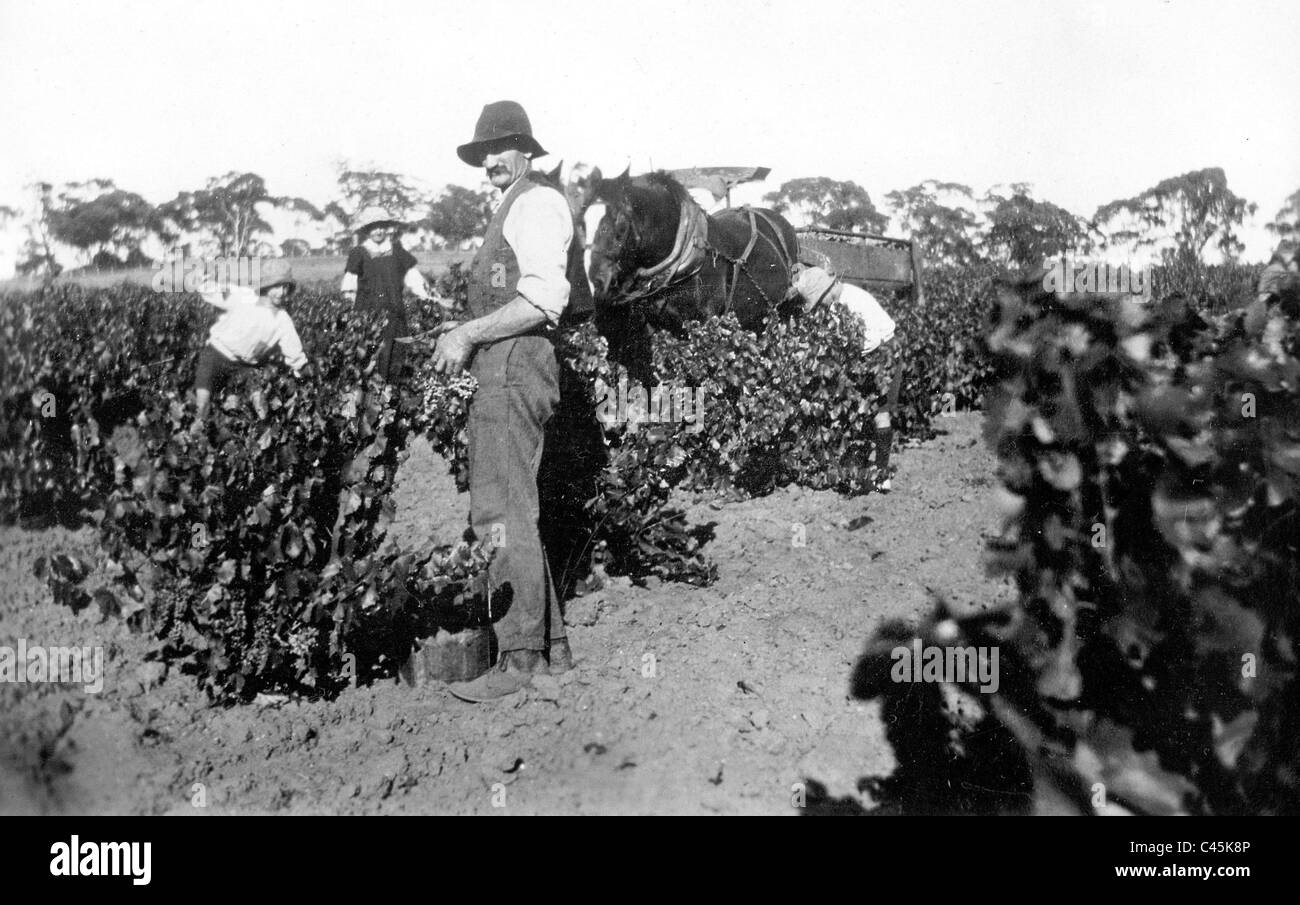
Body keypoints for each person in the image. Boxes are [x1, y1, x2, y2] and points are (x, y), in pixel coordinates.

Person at [432, 100, 574, 702]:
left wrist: (466, 333)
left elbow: (544, 300)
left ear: (526, 150)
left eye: (500, 147)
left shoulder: (537, 201)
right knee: (513, 505)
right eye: (482, 151)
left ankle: (518, 660)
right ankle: (551, 651)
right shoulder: (514, 203)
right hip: (505, 363)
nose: (490, 159)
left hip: (515, 363)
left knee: (497, 510)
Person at [791, 263, 899, 490]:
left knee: (880, 414)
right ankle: (860, 468)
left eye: (821, 301)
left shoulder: (853, 300)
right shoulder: (837, 303)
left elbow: (871, 338)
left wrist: (843, 356)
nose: (821, 306)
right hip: (866, 357)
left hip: (882, 355)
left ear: (826, 290)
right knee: (859, 413)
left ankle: (881, 476)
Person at [192, 260, 307, 422]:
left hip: (242, 368)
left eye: (285, 287)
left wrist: (302, 376)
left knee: (248, 413)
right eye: (277, 286)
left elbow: (295, 354)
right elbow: (212, 291)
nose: (281, 292)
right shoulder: (243, 296)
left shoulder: (283, 320)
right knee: (202, 405)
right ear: (266, 286)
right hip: (215, 356)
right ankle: (194, 440)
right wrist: (201, 278)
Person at [341, 209, 445, 382]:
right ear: (367, 230)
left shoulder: (396, 251)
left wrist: (432, 298)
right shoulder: (358, 253)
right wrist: (352, 316)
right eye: (374, 227)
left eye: (382, 226)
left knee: (396, 361)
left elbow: (414, 280)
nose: (379, 231)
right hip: (368, 319)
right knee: (370, 362)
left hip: (395, 317)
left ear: (387, 228)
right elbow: (349, 287)